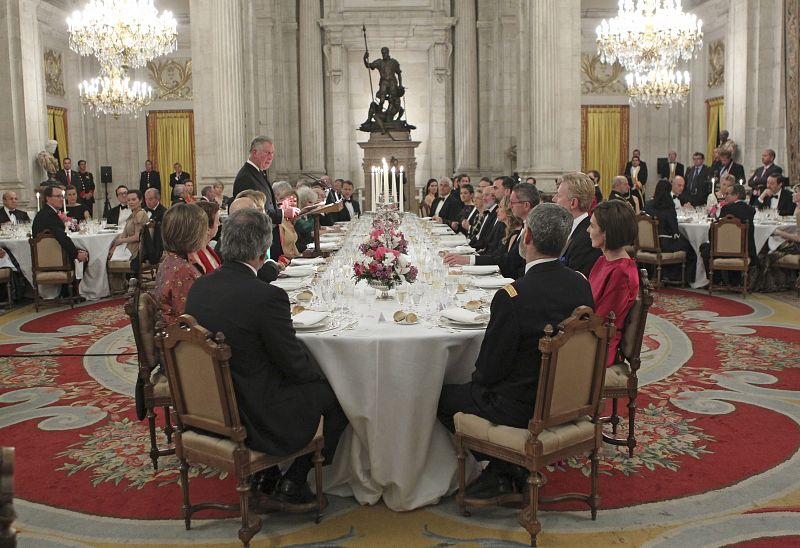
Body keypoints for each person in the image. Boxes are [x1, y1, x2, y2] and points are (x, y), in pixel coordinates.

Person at [185, 208, 349, 504]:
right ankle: (294, 480)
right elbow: (295, 367)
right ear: (264, 249)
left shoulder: (199, 289)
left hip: (211, 406)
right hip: (255, 413)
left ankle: (268, 473)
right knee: (339, 397)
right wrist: (330, 373)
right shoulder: (266, 297)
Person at [437, 203, 594, 497]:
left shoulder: (513, 296)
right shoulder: (581, 285)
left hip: (522, 406)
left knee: (439, 397)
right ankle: (505, 469)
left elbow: (487, 372)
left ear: (527, 237)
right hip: (569, 397)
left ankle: (504, 466)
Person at [445, 183, 538, 280]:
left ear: (526, 205)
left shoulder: (533, 229)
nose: (510, 206)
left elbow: (510, 261)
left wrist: (469, 259)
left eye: (512, 202)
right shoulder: (522, 227)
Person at [587, 200, 640, 364]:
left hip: (598, 346)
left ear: (606, 233)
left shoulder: (621, 272)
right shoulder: (603, 261)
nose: (588, 230)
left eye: (593, 226)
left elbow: (601, 320)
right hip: (588, 334)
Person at [232, 136, 300, 261]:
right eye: (267, 153)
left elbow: (263, 205)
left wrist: (280, 206)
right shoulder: (246, 176)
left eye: (272, 153)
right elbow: (251, 212)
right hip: (256, 240)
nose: (270, 157)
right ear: (254, 152)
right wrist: (284, 212)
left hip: (268, 234)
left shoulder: (258, 172)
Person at [154, 203, 206, 326]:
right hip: (183, 339)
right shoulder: (183, 270)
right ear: (192, 234)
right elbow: (187, 317)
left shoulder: (170, 260)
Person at [645, 179, 698, 284]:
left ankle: (667, 274)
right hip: (664, 243)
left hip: (648, 244)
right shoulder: (668, 206)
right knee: (692, 249)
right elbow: (674, 229)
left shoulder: (648, 204)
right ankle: (682, 278)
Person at [555, 172, 602, 277]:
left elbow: (573, 280)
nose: (554, 199)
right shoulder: (566, 229)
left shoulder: (588, 238)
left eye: (558, 195)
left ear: (573, 203)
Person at [755, 184, 800, 291]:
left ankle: (768, 284)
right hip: (794, 244)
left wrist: (779, 233)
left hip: (797, 247)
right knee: (769, 245)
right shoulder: (797, 208)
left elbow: (799, 238)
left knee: (766, 250)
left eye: (796, 192)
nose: (793, 194)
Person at [32, 185, 89, 265]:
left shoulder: (45, 212)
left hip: (46, 258)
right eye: (58, 196)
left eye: (62, 197)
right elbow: (62, 237)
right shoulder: (50, 215)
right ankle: (77, 278)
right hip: (53, 260)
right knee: (87, 256)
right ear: (48, 198)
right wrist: (76, 254)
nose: (62, 199)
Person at [363, 47, 403, 118]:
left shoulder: (394, 62)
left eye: (385, 53)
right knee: (381, 100)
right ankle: (378, 115)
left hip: (392, 82)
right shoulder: (379, 62)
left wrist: (400, 84)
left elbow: (399, 73)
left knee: (392, 99)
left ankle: (388, 117)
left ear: (388, 52)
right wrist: (364, 58)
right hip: (383, 82)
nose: (384, 54)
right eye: (382, 53)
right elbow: (368, 65)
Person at [189, 200, 222, 273]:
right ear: (207, 228)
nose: (219, 224)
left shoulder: (207, 248)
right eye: (217, 221)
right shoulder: (193, 256)